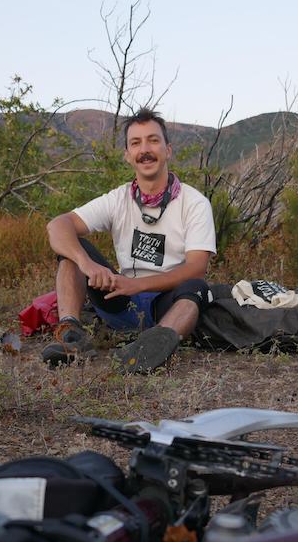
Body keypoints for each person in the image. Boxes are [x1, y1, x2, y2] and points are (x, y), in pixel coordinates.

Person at [43, 108, 216, 373]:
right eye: (136, 143)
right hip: (120, 300)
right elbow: (57, 226)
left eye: (153, 140)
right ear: (127, 155)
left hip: (166, 303)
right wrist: (88, 265)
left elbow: (196, 266)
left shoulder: (194, 203)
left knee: (197, 287)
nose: (145, 149)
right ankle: (71, 337)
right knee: (74, 252)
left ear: (168, 150)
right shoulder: (118, 199)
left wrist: (138, 285)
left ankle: (152, 345)